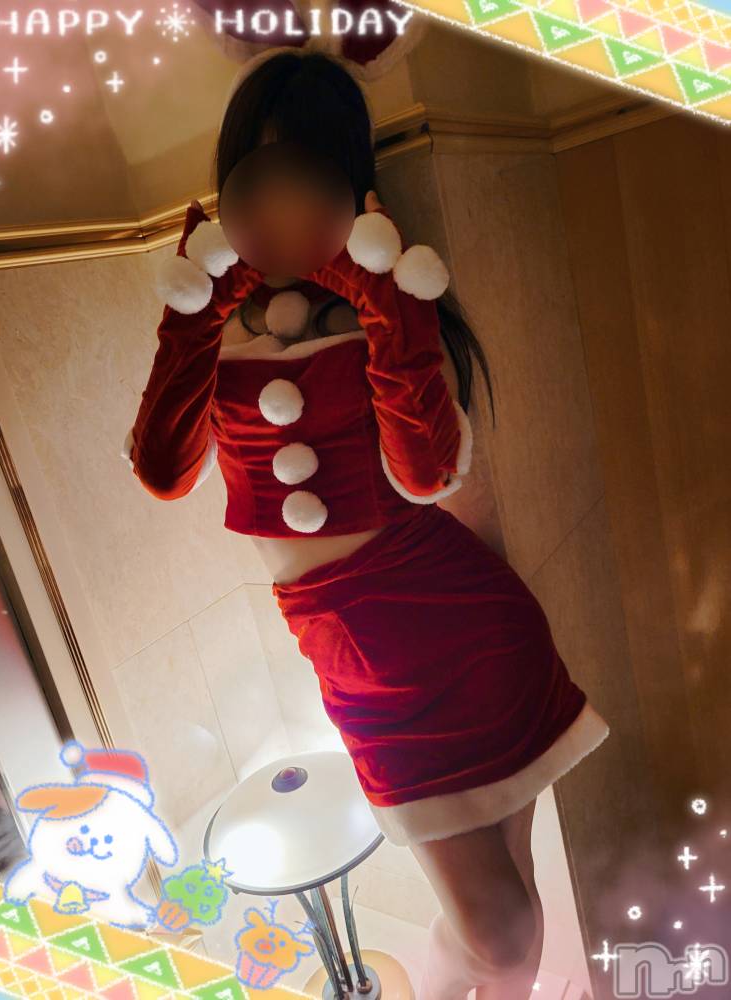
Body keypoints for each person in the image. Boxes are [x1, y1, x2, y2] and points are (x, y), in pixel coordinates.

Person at [122, 48, 610, 1000]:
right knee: (505, 933)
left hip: (477, 630)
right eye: (258, 177)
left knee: (510, 915)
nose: (281, 209)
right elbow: (161, 471)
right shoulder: (209, 329)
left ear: (345, 186)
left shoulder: (392, 308)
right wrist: (198, 310)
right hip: (364, 662)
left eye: (305, 175)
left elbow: (427, 475)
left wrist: (384, 300)